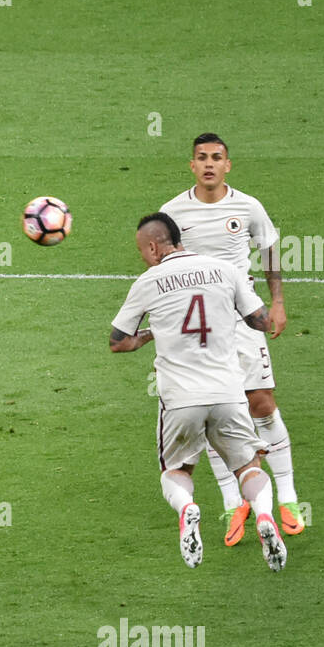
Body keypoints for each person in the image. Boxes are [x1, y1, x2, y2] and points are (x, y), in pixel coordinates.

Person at [110, 214, 287, 572]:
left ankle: (188, 509)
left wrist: (152, 333)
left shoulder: (148, 281)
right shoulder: (223, 269)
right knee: (249, 466)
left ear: (152, 247)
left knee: (177, 470)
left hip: (180, 398)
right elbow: (261, 321)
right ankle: (265, 515)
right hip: (228, 392)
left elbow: (118, 343)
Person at [159, 133, 305, 546]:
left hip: (242, 319)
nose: (209, 164)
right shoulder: (172, 212)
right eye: (201, 158)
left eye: (216, 158)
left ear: (228, 165)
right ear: (191, 165)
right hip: (196, 328)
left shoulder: (247, 206)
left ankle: (289, 498)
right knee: (209, 412)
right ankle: (231, 503)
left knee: (261, 402)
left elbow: (270, 250)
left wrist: (277, 302)